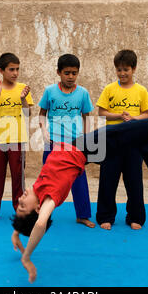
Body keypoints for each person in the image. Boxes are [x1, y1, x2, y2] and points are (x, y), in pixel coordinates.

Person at [11, 117, 148, 283]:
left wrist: (17, 231)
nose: (21, 198)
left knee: (146, 138)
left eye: (18, 202)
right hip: (90, 146)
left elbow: (31, 219)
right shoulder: (50, 197)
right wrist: (27, 256)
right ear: (38, 208)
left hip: (90, 146)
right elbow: (39, 223)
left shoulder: (37, 188)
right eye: (22, 204)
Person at [95, 49, 148, 230]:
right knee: (107, 180)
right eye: (119, 70)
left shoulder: (141, 91)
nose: (122, 73)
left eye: (126, 69)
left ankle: (135, 217)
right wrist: (118, 115)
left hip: (134, 143)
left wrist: (134, 119)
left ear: (133, 69)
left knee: (134, 181)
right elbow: (102, 112)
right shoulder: (109, 89)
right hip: (111, 142)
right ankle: (105, 216)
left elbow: (147, 115)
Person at [38, 54, 95, 228]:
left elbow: (86, 117)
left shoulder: (83, 93)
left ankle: (83, 215)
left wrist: (85, 138)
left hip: (75, 143)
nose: (70, 77)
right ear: (58, 72)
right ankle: (43, 215)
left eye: (74, 73)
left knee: (79, 180)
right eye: (67, 73)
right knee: (48, 179)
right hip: (53, 142)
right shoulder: (50, 91)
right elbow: (42, 114)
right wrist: (44, 131)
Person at [0, 53, 33, 223]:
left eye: (17, 69)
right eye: (11, 69)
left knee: (18, 176)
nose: (15, 73)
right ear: (1, 70)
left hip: (17, 139)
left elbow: (28, 113)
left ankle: (20, 208)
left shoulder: (23, 88)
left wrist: (23, 99)